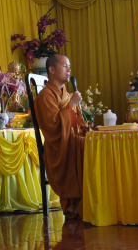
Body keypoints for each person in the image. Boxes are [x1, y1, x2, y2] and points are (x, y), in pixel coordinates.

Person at [34, 53, 89, 219]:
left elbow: (78, 121)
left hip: (72, 140)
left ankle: (92, 200)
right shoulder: (45, 96)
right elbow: (54, 127)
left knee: (94, 143)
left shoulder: (66, 94)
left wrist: (87, 131)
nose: (69, 70)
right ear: (51, 70)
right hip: (59, 146)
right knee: (85, 147)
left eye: (69, 66)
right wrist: (72, 104)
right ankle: (77, 203)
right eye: (65, 66)